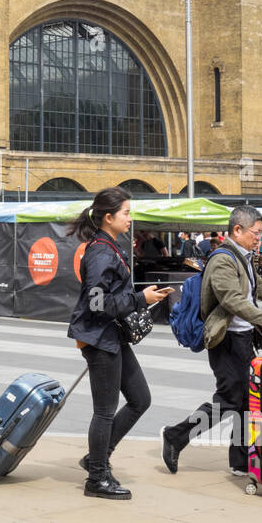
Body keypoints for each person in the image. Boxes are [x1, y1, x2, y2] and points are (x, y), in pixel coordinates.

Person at [160, 205, 262, 477]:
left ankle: (240, 461)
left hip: (243, 339)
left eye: (261, 233)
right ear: (237, 229)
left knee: (247, 400)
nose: (260, 238)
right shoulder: (223, 259)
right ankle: (176, 436)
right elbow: (231, 300)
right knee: (229, 398)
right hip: (226, 341)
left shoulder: (244, 257)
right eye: (256, 233)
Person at [66, 188, 171, 499]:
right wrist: (141, 299)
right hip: (100, 340)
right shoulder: (100, 252)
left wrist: (140, 298)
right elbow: (97, 302)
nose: (130, 217)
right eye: (126, 212)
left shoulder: (108, 247)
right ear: (108, 217)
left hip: (112, 336)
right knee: (105, 411)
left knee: (140, 398)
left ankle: (95, 458)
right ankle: (96, 478)